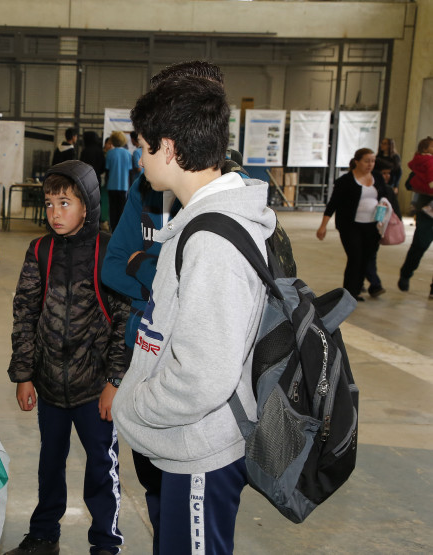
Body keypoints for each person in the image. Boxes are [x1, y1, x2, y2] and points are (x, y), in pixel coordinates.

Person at [111, 75, 275, 555]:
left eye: (142, 148)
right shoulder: (197, 225)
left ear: (167, 147)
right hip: (185, 443)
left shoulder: (211, 241)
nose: (139, 160)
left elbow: (203, 376)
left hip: (200, 448)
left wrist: (134, 405)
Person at [101, 60, 226, 554]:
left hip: (191, 421)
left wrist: (150, 268)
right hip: (146, 361)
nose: (140, 151)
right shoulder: (147, 190)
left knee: (192, 527)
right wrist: (162, 273)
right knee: (163, 514)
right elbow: (112, 267)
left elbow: (206, 362)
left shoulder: (218, 215)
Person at [5, 160, 130, 555]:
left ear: (88, 204)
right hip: (48, 385)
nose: (55, 213)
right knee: (49, 464)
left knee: (100, 470)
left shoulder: (108, 251)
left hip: (95, 390)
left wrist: (114, 382)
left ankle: (106, 545)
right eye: (49, 204)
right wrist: (25, 374)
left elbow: (125, 321)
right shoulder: (39, 250)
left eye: (65, 203)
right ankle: (44, 536)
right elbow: (24, 312)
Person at [317, 148, 394, 300]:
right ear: (357, 161)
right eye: (366, 161)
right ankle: (349, 293)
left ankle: (357, 290)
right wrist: (323, 225)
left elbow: (384, 196)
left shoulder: (377, 177)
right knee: (355, 257)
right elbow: (333, 204)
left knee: (367, 257)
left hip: (372, 225)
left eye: (372, 161)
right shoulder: (345, 181)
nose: (370, 164)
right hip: (350, 226)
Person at [105, 131, 133, 230]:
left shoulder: (109, 153)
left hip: (111, 186)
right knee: (122, 209)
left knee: (112, 209)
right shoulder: (128, 154)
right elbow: (130, 172)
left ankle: (113, 228)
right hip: (124, 186)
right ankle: (121, 229)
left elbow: (107, 171)